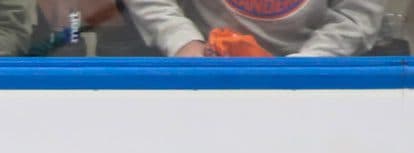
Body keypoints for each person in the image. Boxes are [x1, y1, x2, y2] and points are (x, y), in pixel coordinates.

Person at [122, 0, 383, 55]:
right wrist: (184, 43)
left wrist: (307, 66)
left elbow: (356, 13)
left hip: (315, 82)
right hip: (207, 73)